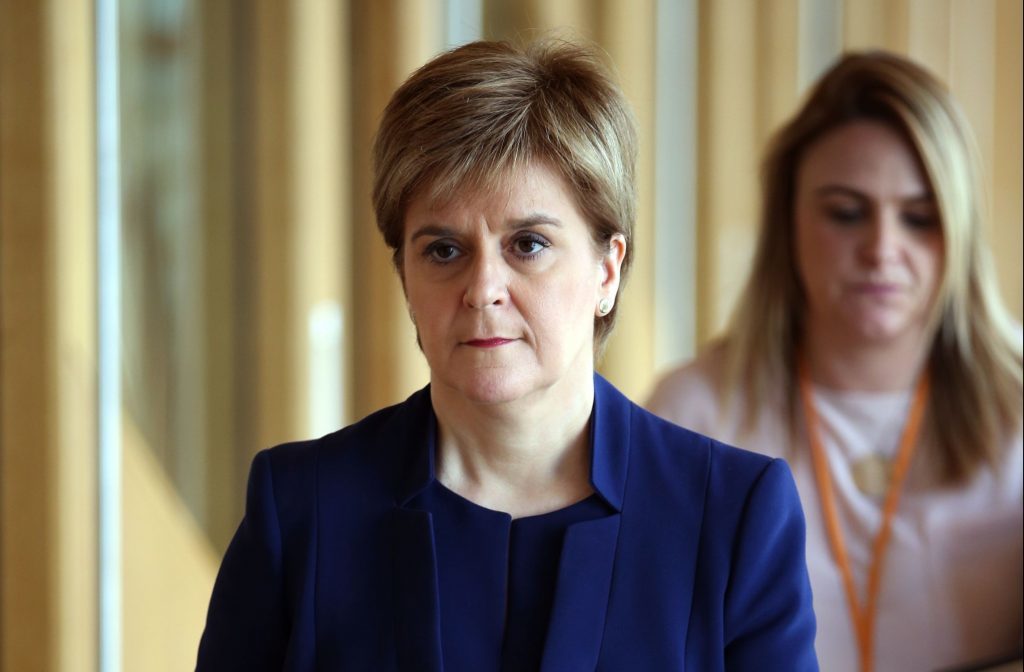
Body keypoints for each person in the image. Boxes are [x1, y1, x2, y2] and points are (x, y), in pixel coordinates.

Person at [197, 38, 817, 671]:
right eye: (443, 249)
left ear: (607, 270)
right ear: (405, 277)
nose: (482, 289)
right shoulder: (302, 510)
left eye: (528, 243)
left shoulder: (734, 515)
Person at [648, 50, 1023, 672]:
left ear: (958, 232)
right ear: (787, 221)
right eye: (846, 213)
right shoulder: (694, 414)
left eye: (919, 218)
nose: (882, 249)